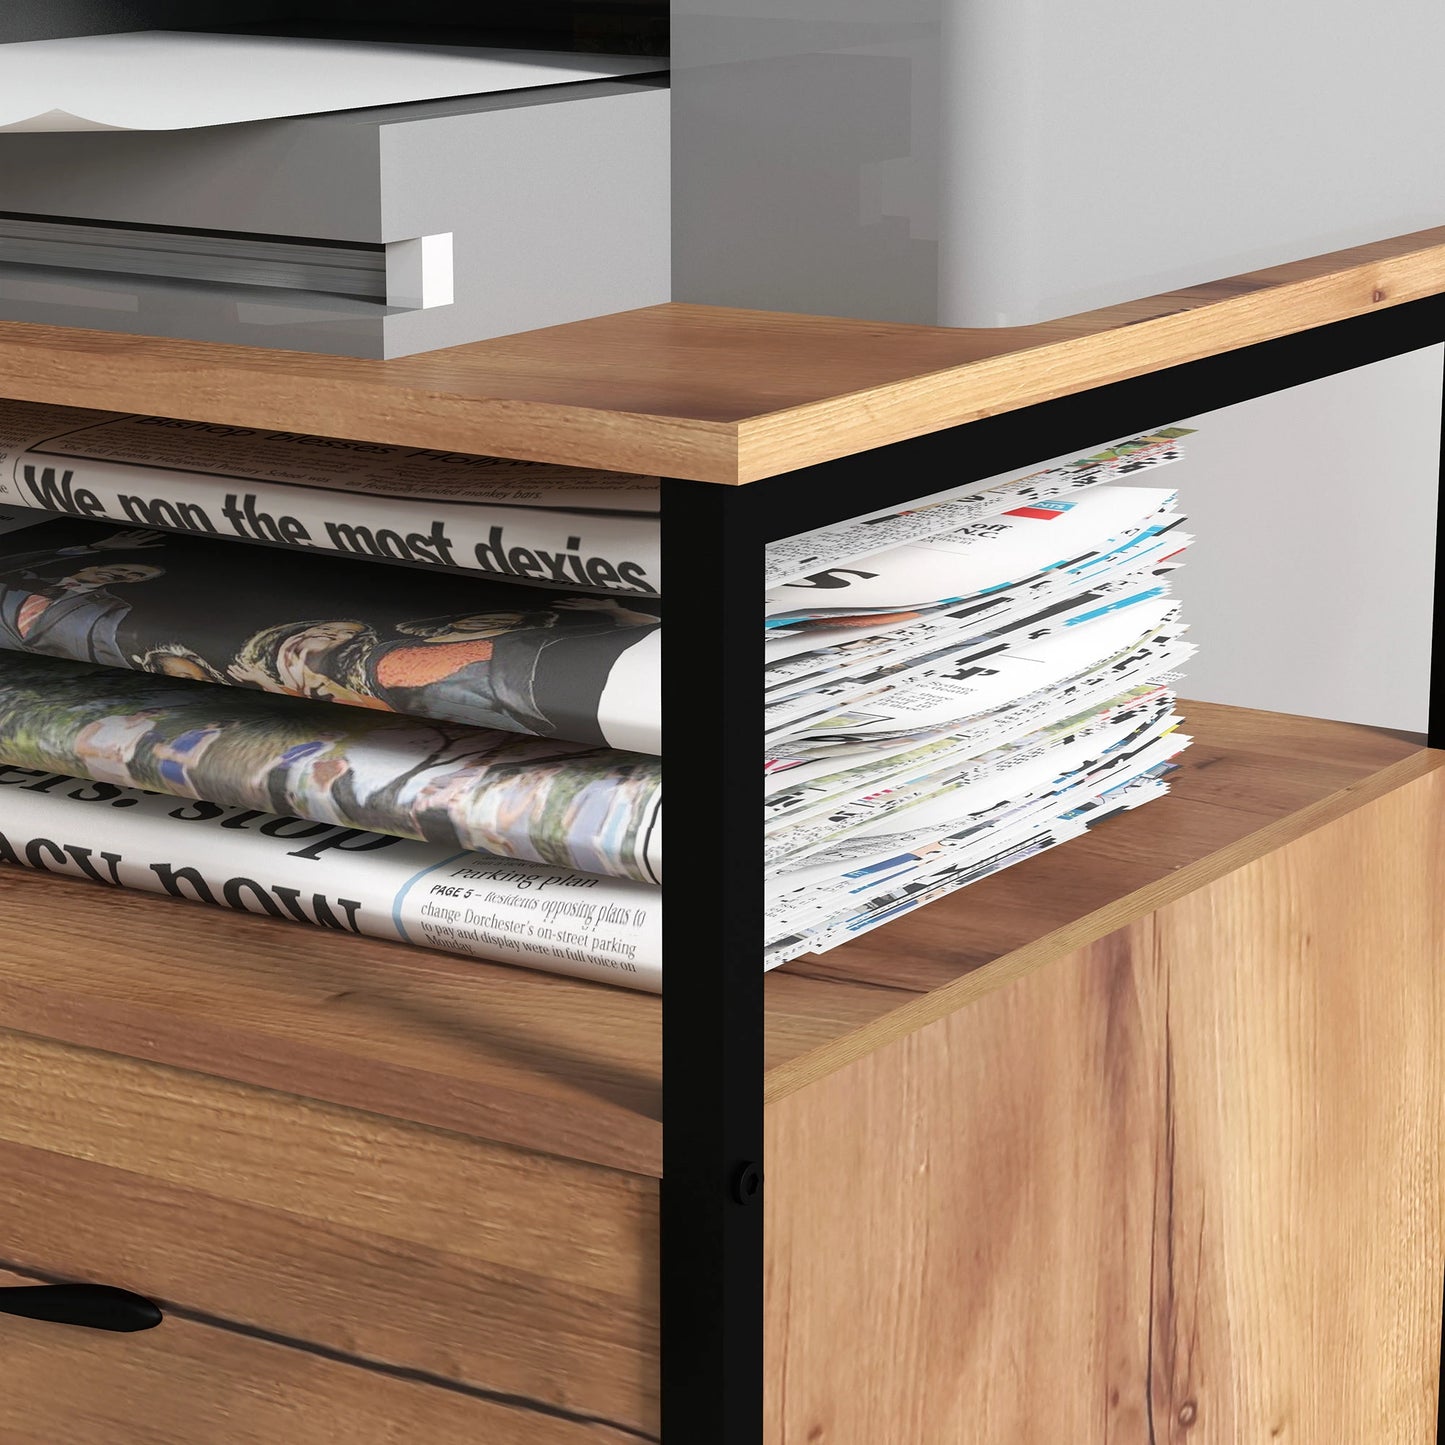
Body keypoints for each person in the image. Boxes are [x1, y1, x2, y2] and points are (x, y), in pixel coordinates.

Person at [0, 528, 169, 669]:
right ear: (91, 567)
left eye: (137, 575)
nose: (125, 574)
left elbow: (103, 644)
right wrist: (93, 547)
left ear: (133, 581)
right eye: (123, 568)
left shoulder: (109, 605)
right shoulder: (23, 577)